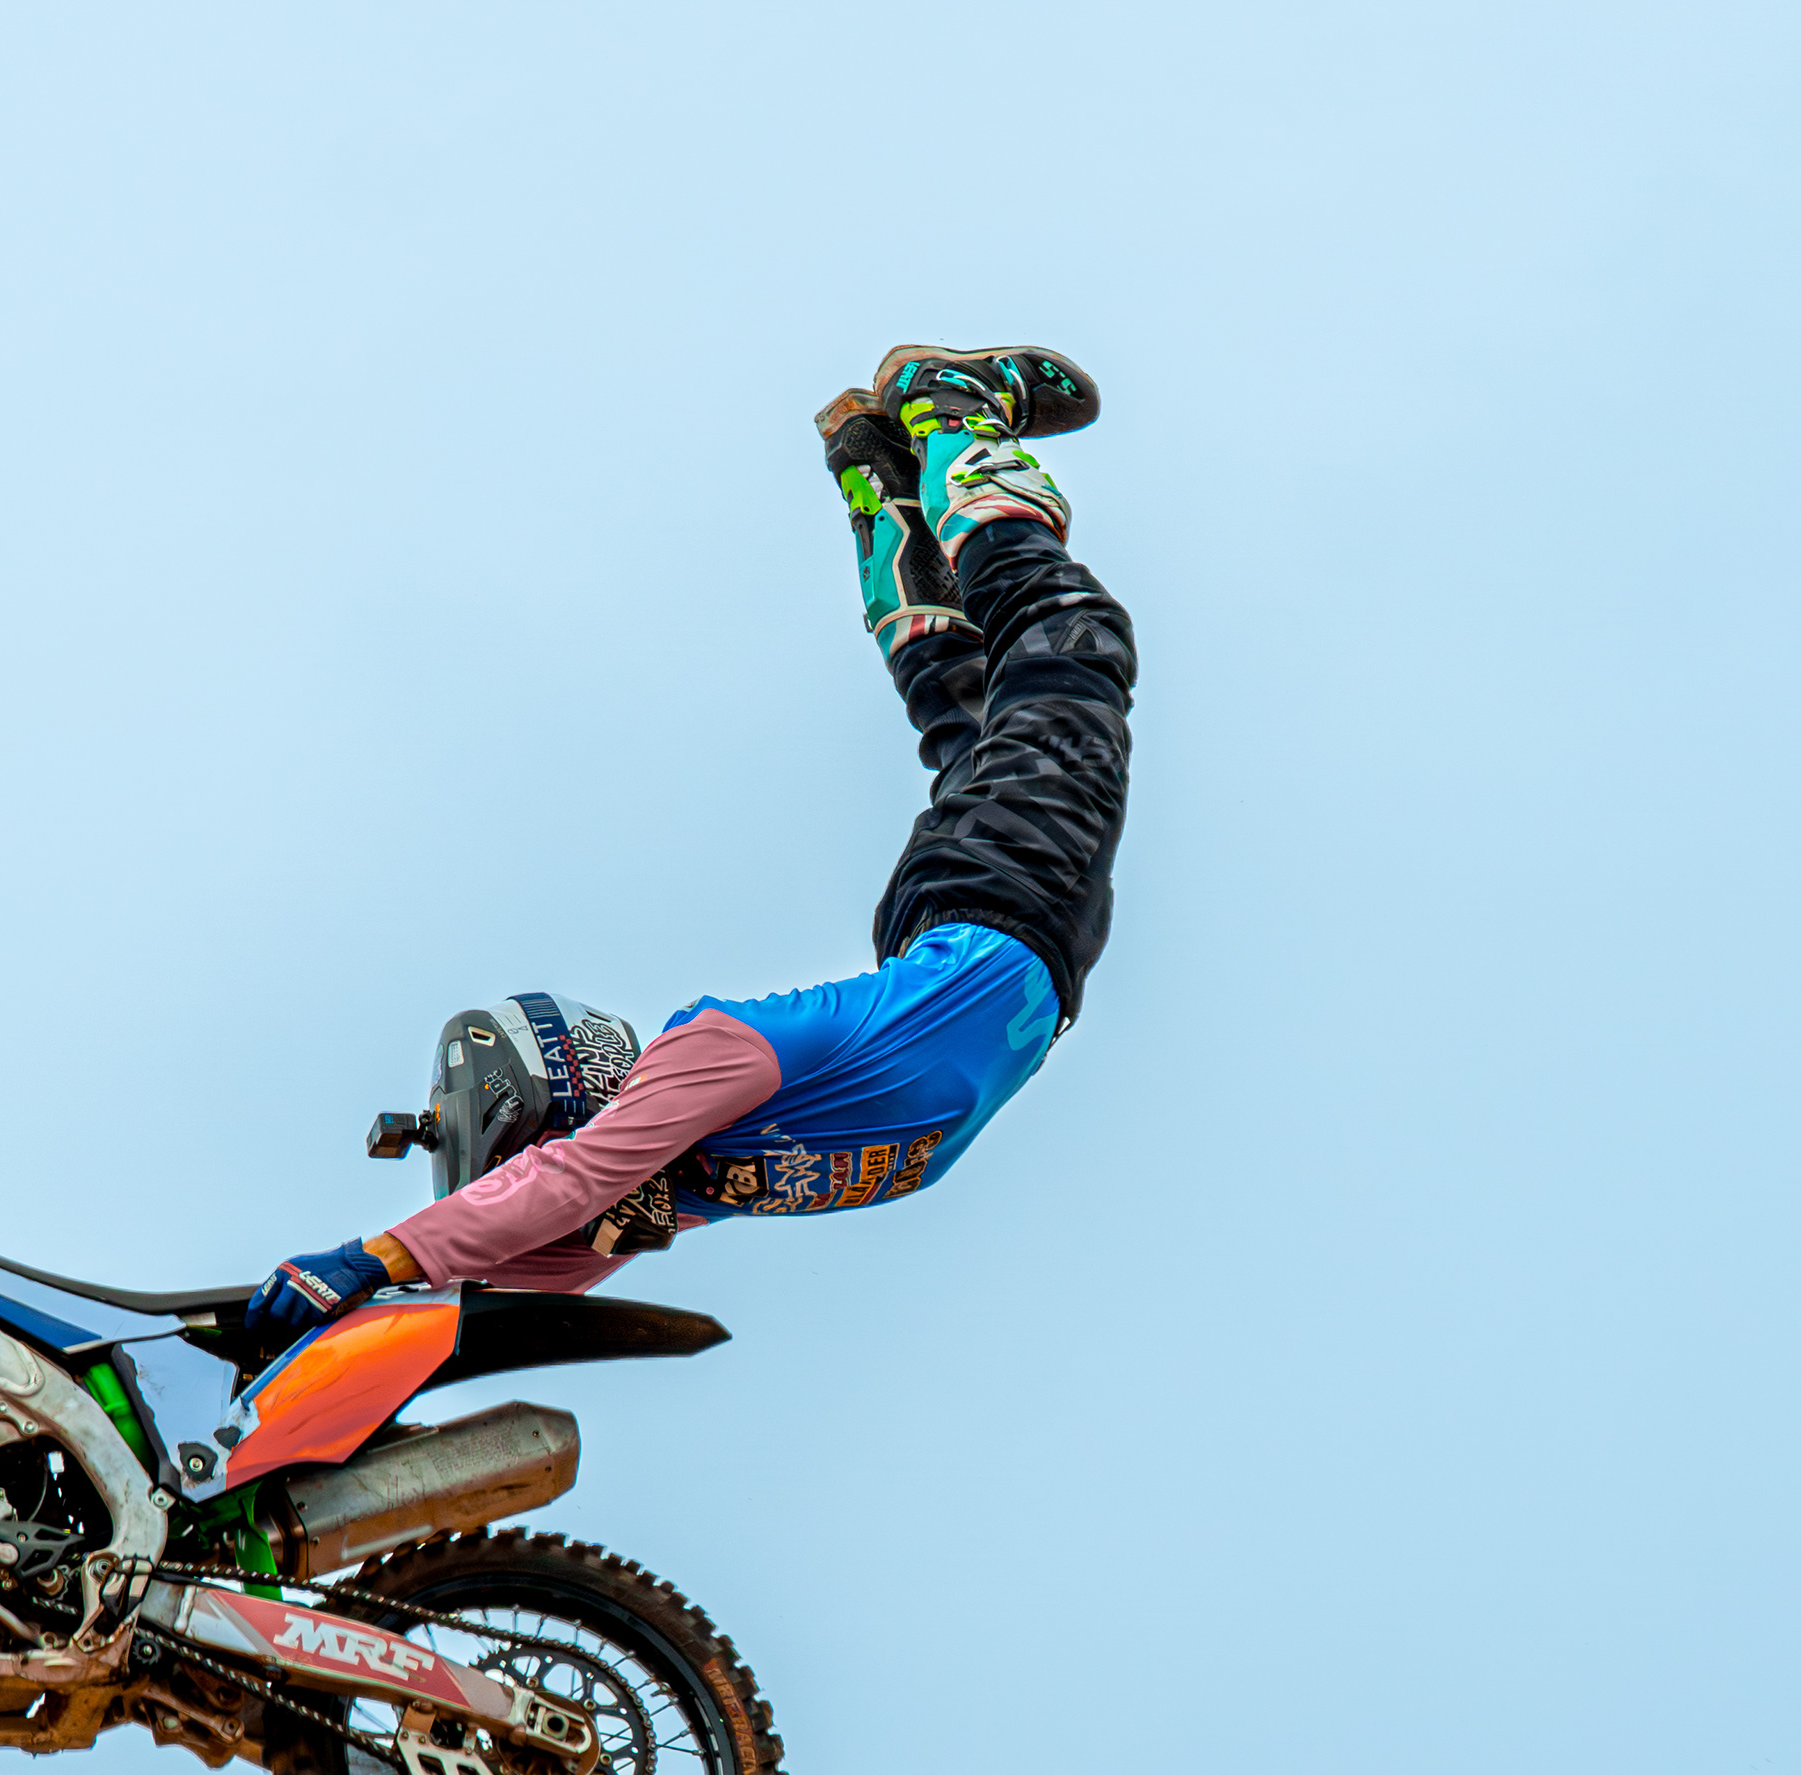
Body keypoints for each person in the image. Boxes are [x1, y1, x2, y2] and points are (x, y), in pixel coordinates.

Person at [244, 344, 1138, 1342]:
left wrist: (375, 1256)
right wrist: (359, 1310)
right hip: (974, 933)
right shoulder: (684, 1179)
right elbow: (532, 1260)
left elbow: (569, 1180)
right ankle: (891, 467)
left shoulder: (703, 1064)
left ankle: (944, 420)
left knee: (1068, 647)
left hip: (997, 919)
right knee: (980, 712)